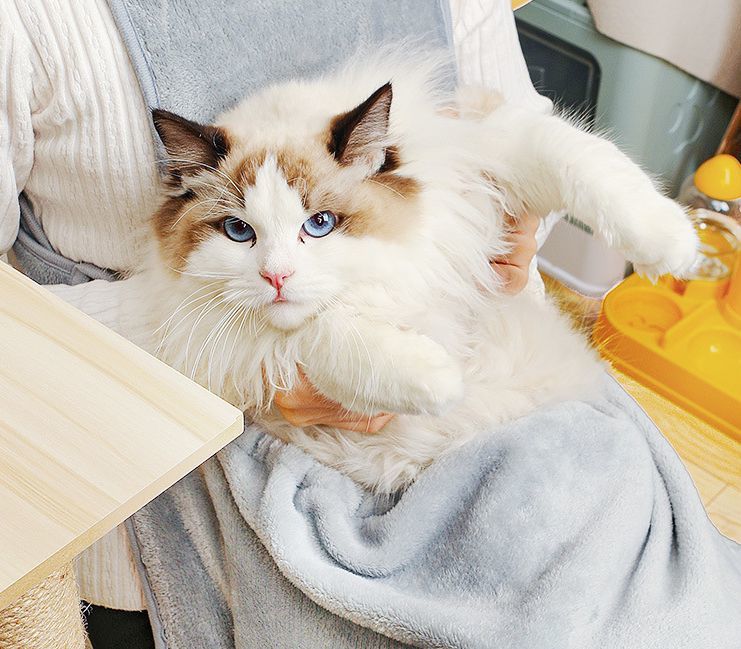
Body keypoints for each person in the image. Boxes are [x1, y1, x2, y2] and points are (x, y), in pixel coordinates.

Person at [1, 0, 553, 645]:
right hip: (172, 488)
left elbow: (522, 132)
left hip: (491, 393)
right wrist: (235, 354)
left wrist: (509, 220)